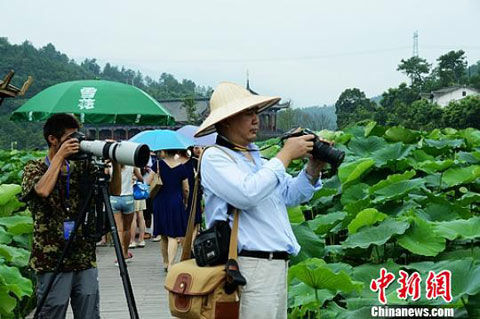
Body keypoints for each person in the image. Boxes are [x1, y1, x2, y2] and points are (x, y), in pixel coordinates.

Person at [194, 82, 327, 319]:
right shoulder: (215, 158)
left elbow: (291, 194)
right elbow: (246, 194)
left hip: (276, 265)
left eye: (256, 112)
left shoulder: (261, 161)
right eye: (247, 113)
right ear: (226, 120)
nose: (256, 119)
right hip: (249, 266)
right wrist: (285, 155)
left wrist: (313, 168)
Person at [21, 113, 122, 319]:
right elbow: (42, 190)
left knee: (89, 313)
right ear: (53, 139)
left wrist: (116, 164)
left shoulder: (83, 167)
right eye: (70, 138)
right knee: (53, 312)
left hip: (83, 256)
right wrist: (59, 157)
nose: (76, 142)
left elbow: (115, 191)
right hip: (51, 258)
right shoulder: (35, 167)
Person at [147, 149, 189, 271]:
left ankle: (165, 262)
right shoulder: (181, 167)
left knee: (163, 234)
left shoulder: (158, 164)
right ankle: (171, 264)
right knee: (173, 235)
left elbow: (148, 181)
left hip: (160, 202)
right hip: (175, 202)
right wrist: (185, 201)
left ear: (165, 151)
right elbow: (186, 189)